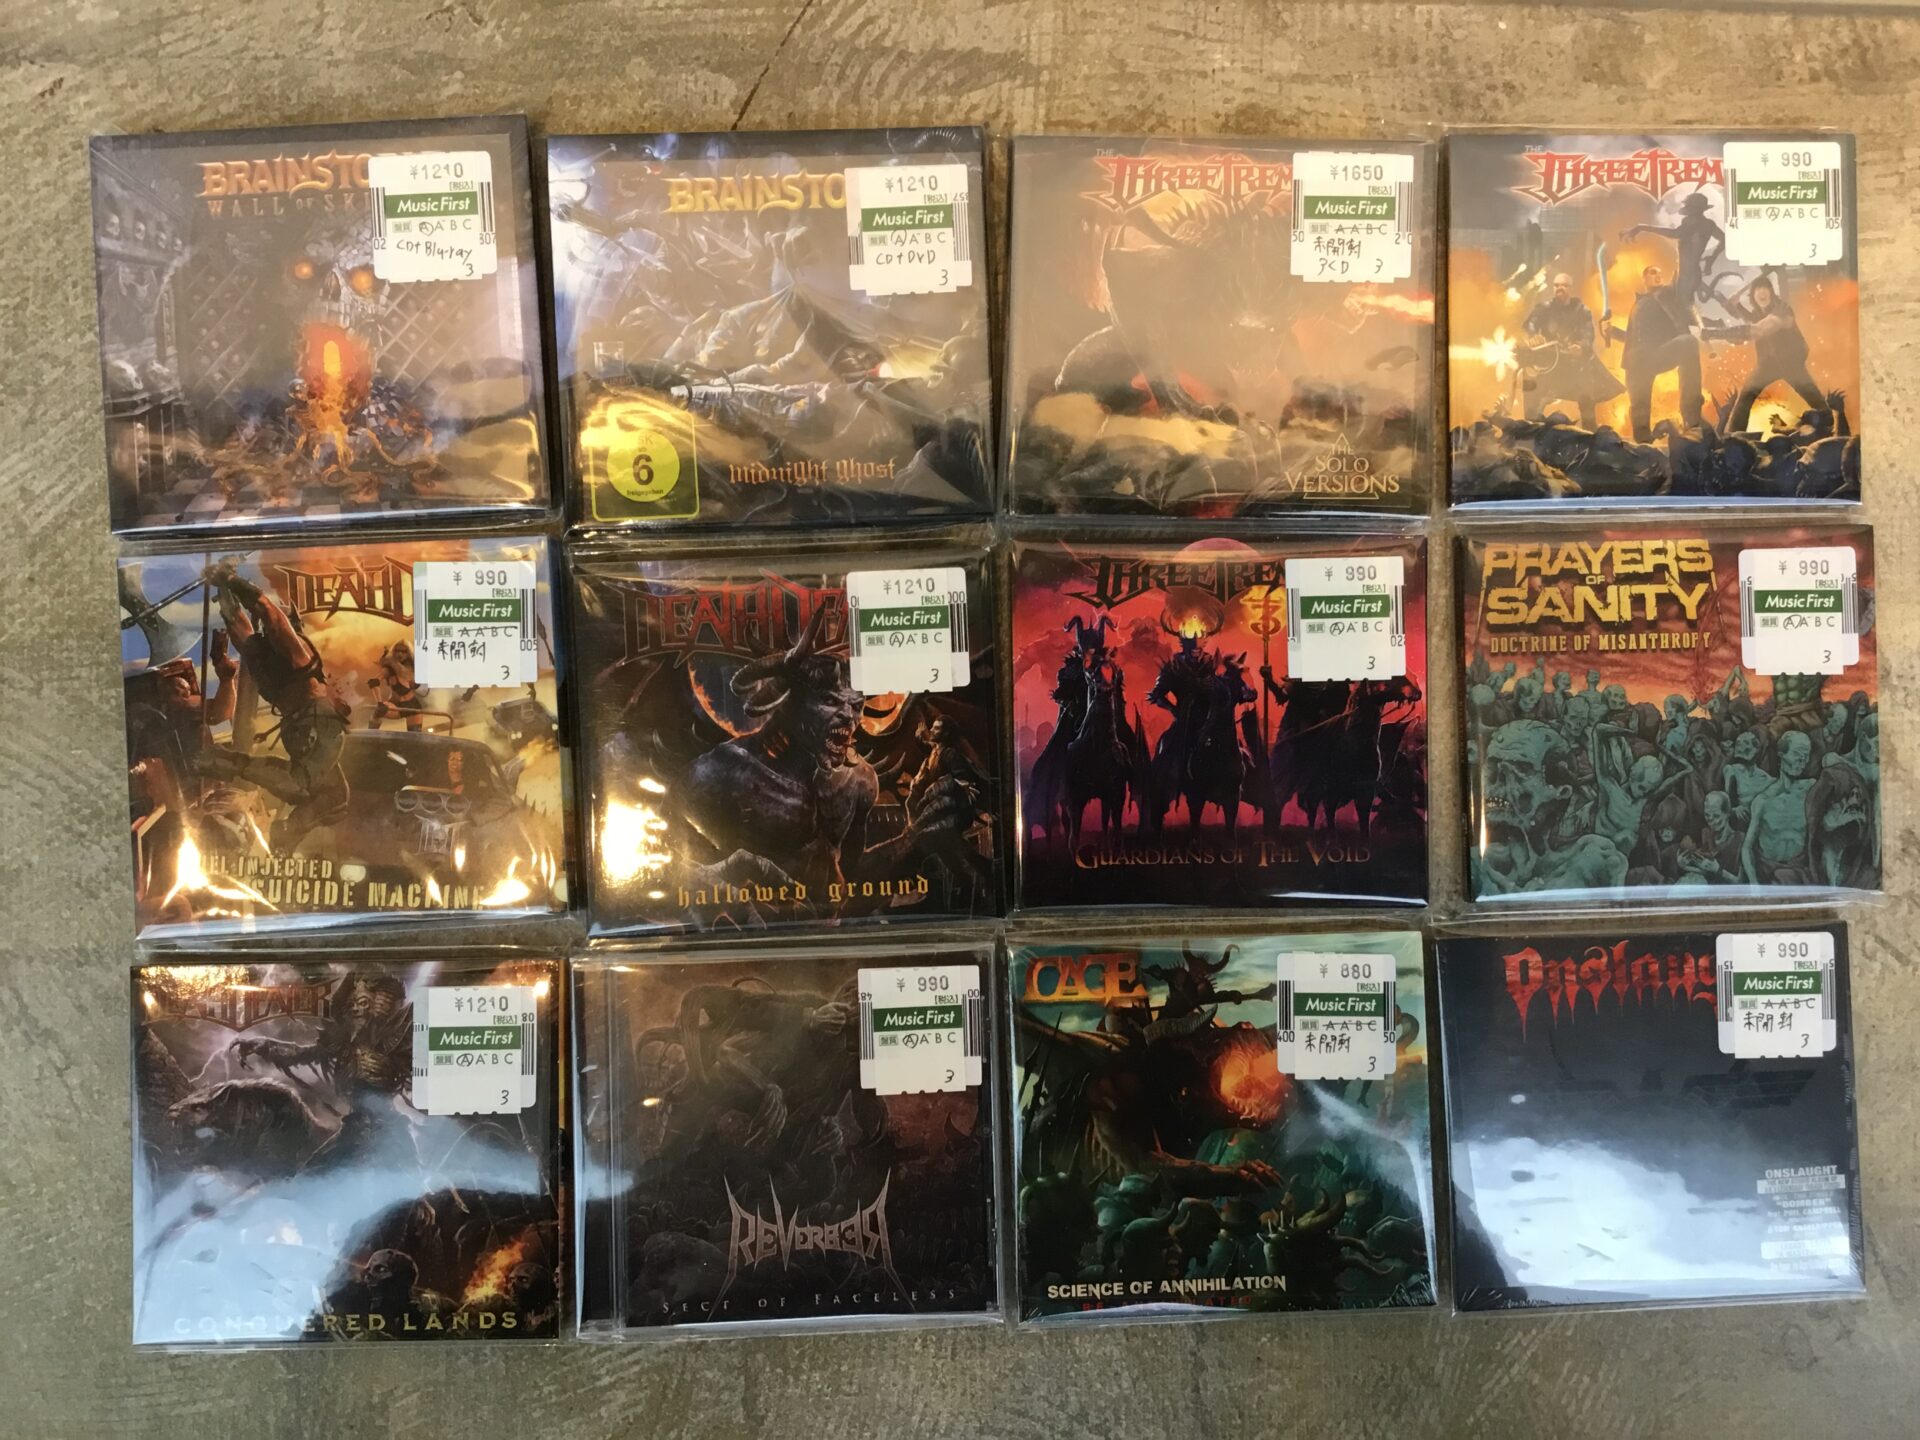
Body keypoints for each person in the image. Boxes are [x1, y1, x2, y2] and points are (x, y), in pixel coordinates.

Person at [1721, 277, 1827, 434]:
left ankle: (1829, 424)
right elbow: (1752, 320)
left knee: (1818, 403)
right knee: (1746, 396)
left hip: (1790, 365)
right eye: (1758, 290)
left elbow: (1758, 329)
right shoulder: (1758, 313)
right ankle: (1733, 435)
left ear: (1771, 292)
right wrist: (1737, 305)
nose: (1762, 293)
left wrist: (1713, 333)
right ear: (1753, 295)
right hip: (1768, 365)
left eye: (1765, 289)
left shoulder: (1782, 310)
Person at [1520, 273, 1624, 427]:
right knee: (1532, 387)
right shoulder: (1544, 308)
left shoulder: (1582, 311)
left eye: (1564, 285)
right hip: (1549, 362)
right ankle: (1530, 430)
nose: (1560, 288)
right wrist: (1533, 335)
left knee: (1586, 395)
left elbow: (1588, 334)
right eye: (1557, 285)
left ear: (1570, 288)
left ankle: (1590, 433)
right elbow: (1530, 325)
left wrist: (1581, 347)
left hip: (1574, 363)